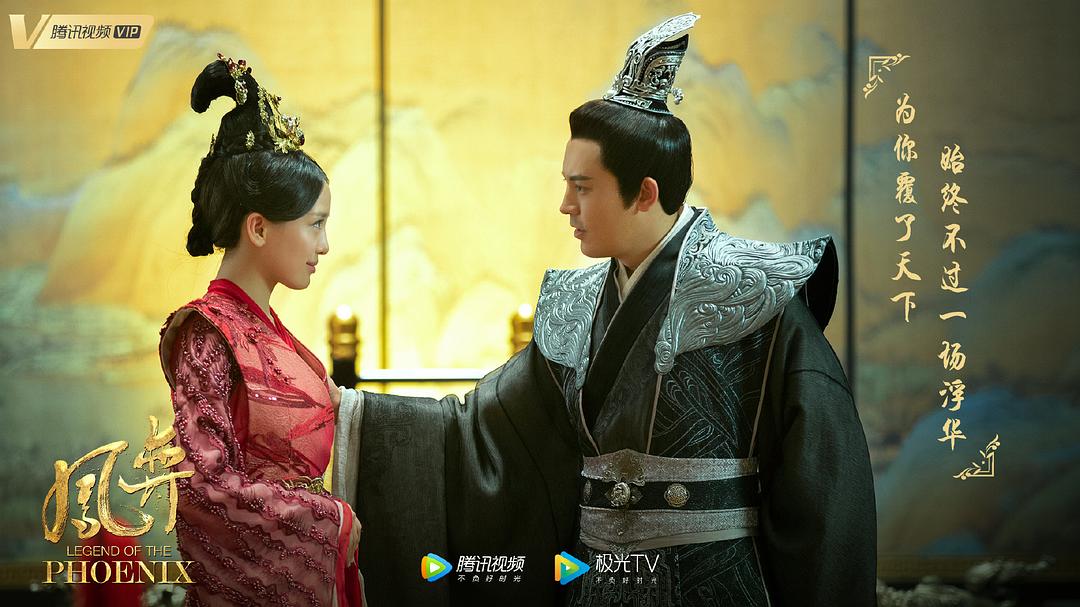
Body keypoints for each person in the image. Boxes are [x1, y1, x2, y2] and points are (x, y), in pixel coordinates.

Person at [333, 13, 876, 607]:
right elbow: (481, 433)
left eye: (582, 186)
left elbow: (824, 489)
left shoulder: (755, 295)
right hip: (594, 584)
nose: (565, 205)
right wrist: (351, 414)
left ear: (644, 192)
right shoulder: (576, 303)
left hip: (715, 586)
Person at [158, 54, 364, 607]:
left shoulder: (266, 331)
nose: (324, 245)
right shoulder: (209, 335)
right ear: (258, 227)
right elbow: (203, 492)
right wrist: (327, 519)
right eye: (315, 225)